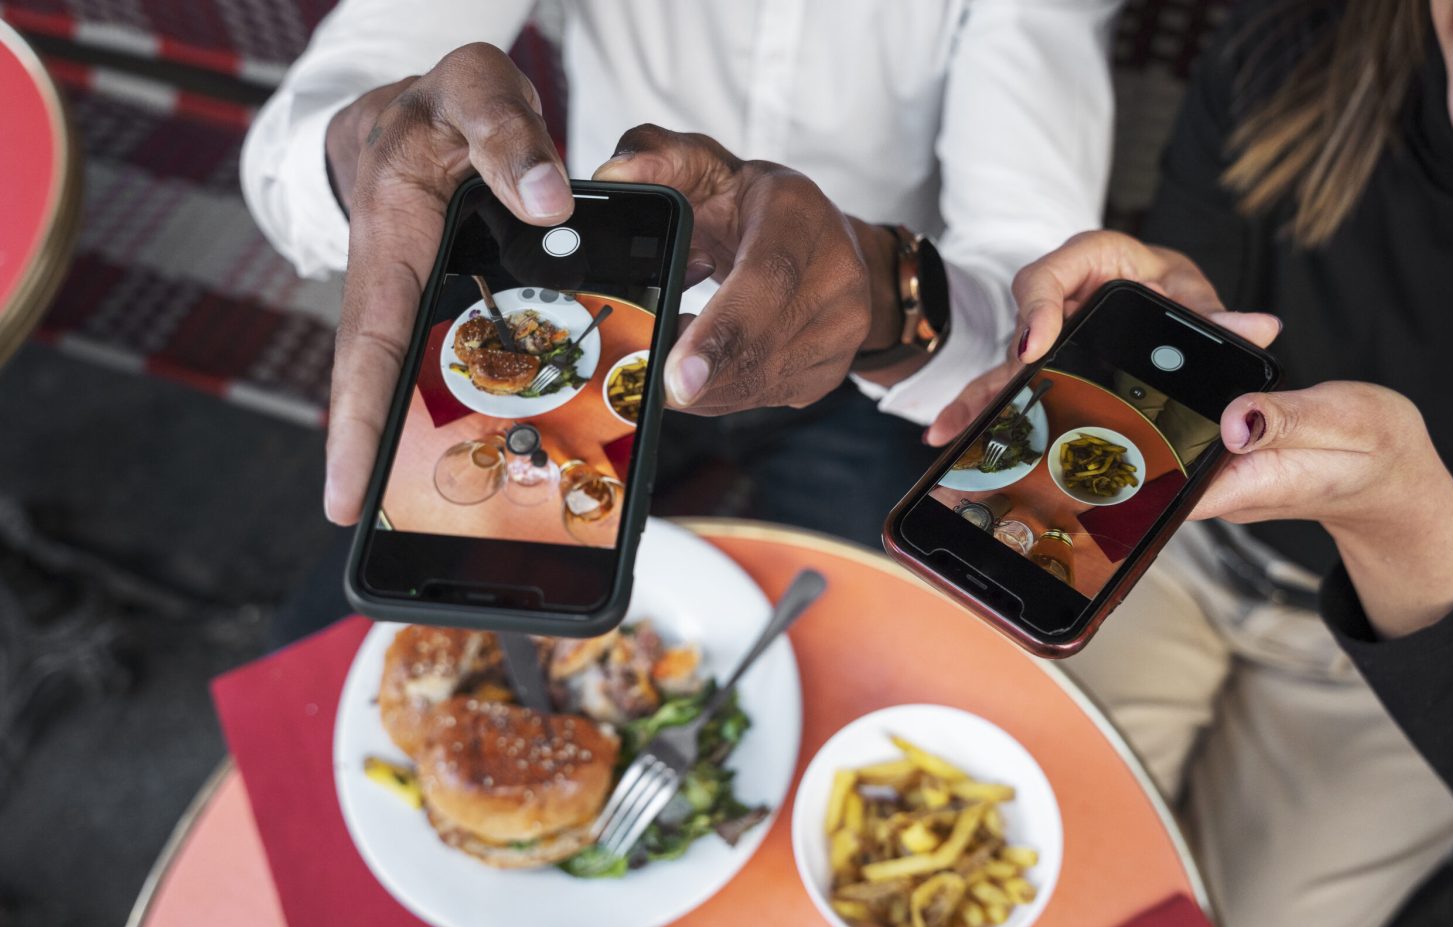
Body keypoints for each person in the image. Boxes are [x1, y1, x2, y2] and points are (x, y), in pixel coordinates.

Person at [929, 1, 1453, 927]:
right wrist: (1177, 299)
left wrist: (1404, 516)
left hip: (1427, 674)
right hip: (1175, 552)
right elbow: (1206, 304)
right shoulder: (1302, 38)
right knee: (997, 867)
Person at [240, 0, 1119, 547]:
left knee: (883, 691)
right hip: (586, 313)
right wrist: (373, 141)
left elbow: (1036, 291)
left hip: (873, 365)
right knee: (394, 644)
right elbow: (289, 150)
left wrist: (888, 295)